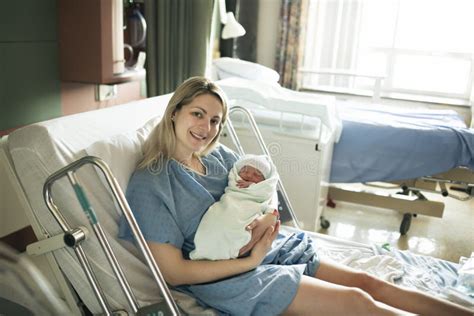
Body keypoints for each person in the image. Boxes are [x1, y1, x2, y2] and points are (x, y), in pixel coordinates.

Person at [119, 77, 472, 315]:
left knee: (369, 282)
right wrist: (249, 261)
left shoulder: (220, 158)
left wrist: (266, 222)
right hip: (230, 278)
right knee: (356, 302)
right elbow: (175, 272)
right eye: (198, 114)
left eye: (215, 120)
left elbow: (266, 197)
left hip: (273, 248)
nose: (207, 128)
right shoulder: (151, 184)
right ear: (175, 112)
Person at [190, 154, 279, 261]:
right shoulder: (234, 172)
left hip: (251, 209)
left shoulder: (227, 155)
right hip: (229, 204)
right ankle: (207, 248)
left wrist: (272, 214)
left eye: (257, 174)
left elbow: (269, 189)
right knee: (216, 223)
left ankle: (229, 249)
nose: (249, 175)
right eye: (245, 171)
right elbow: (234, 184)